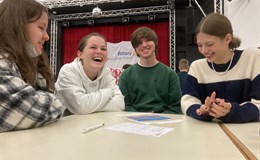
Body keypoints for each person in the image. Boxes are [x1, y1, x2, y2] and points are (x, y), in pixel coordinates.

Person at [181, 12, 260, 123]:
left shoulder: (253, 57)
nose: (204, 50)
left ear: (227, 38)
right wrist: (200, 111)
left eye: (209, 44)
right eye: (199, 45)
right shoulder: (197, 67)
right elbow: (187, 101)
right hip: (208, 135)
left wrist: (232, 111)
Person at [0, 0, 65, 132]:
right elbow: (26, 110)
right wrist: (54, 102)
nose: (47, 37)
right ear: (17, 26)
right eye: (41, 28)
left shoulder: (32, 65)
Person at [55, 32, 125, 115]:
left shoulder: (106, 73)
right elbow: (80, 107)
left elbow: (120, 105)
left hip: (98, 123)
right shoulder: (68, 71)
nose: (99, 51)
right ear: (80, 54)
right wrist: (108, 92)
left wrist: (88, 105)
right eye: (93, 47)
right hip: (69, 126)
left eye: (103, 49)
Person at [118, 26, 182, 114]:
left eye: (148, 40)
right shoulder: (126, 75)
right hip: (134, 122)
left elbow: (175, 107)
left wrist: (157, 119)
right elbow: (125, 106)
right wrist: (141, 118)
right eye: (139, 42)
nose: (144, 45)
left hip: (165, 122)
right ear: (135, 48)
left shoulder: (170, 74)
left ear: (155, 43)